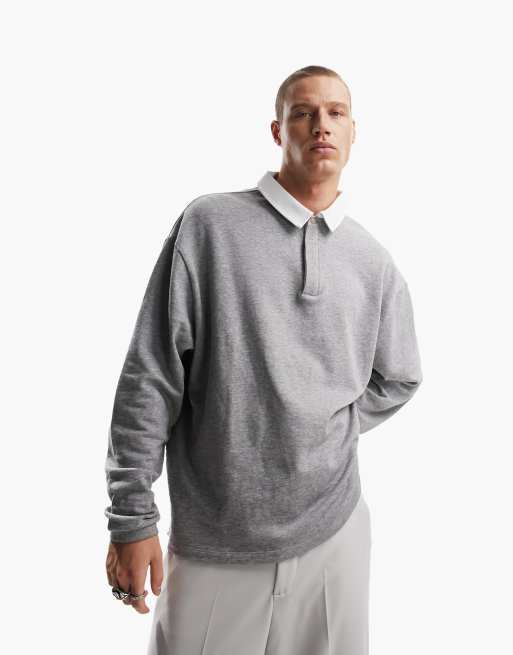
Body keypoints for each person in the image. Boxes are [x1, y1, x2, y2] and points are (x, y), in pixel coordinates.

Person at [104, 65, 423, 654]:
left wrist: (325, 424)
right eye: (303, 113)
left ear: (354, 132)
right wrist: (132, 516)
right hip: (215, 540)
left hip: (336, 535)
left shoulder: (372, 261)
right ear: (278, 131)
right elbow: (151, 375)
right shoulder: (210, 226)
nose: (321, 125)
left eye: (335, 113)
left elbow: (400, 376)